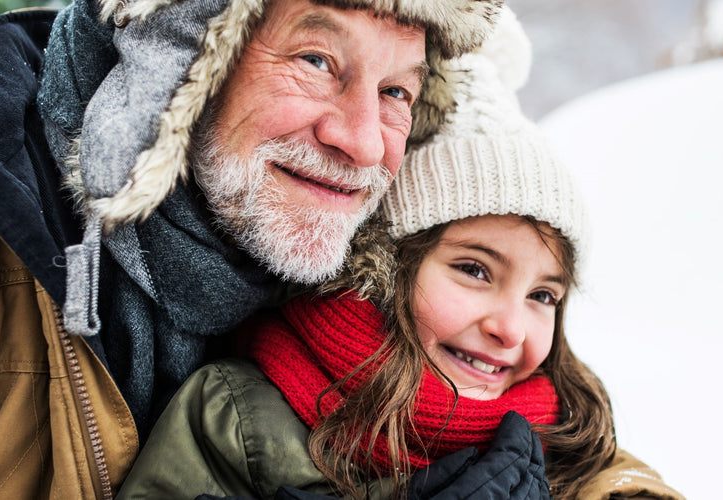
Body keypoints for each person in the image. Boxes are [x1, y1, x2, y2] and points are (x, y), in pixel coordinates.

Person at [0, 0, 503, 497]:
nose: (361, 142)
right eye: (317, 61)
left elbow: (574, 438)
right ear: (179, 61)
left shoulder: (387, 271)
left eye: (394, 92)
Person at [116, 10, 685, 500]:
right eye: (473, 270)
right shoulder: (239, 416)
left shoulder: (564, 430)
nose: (511, 328)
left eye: (542, 295)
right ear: (383, 270)